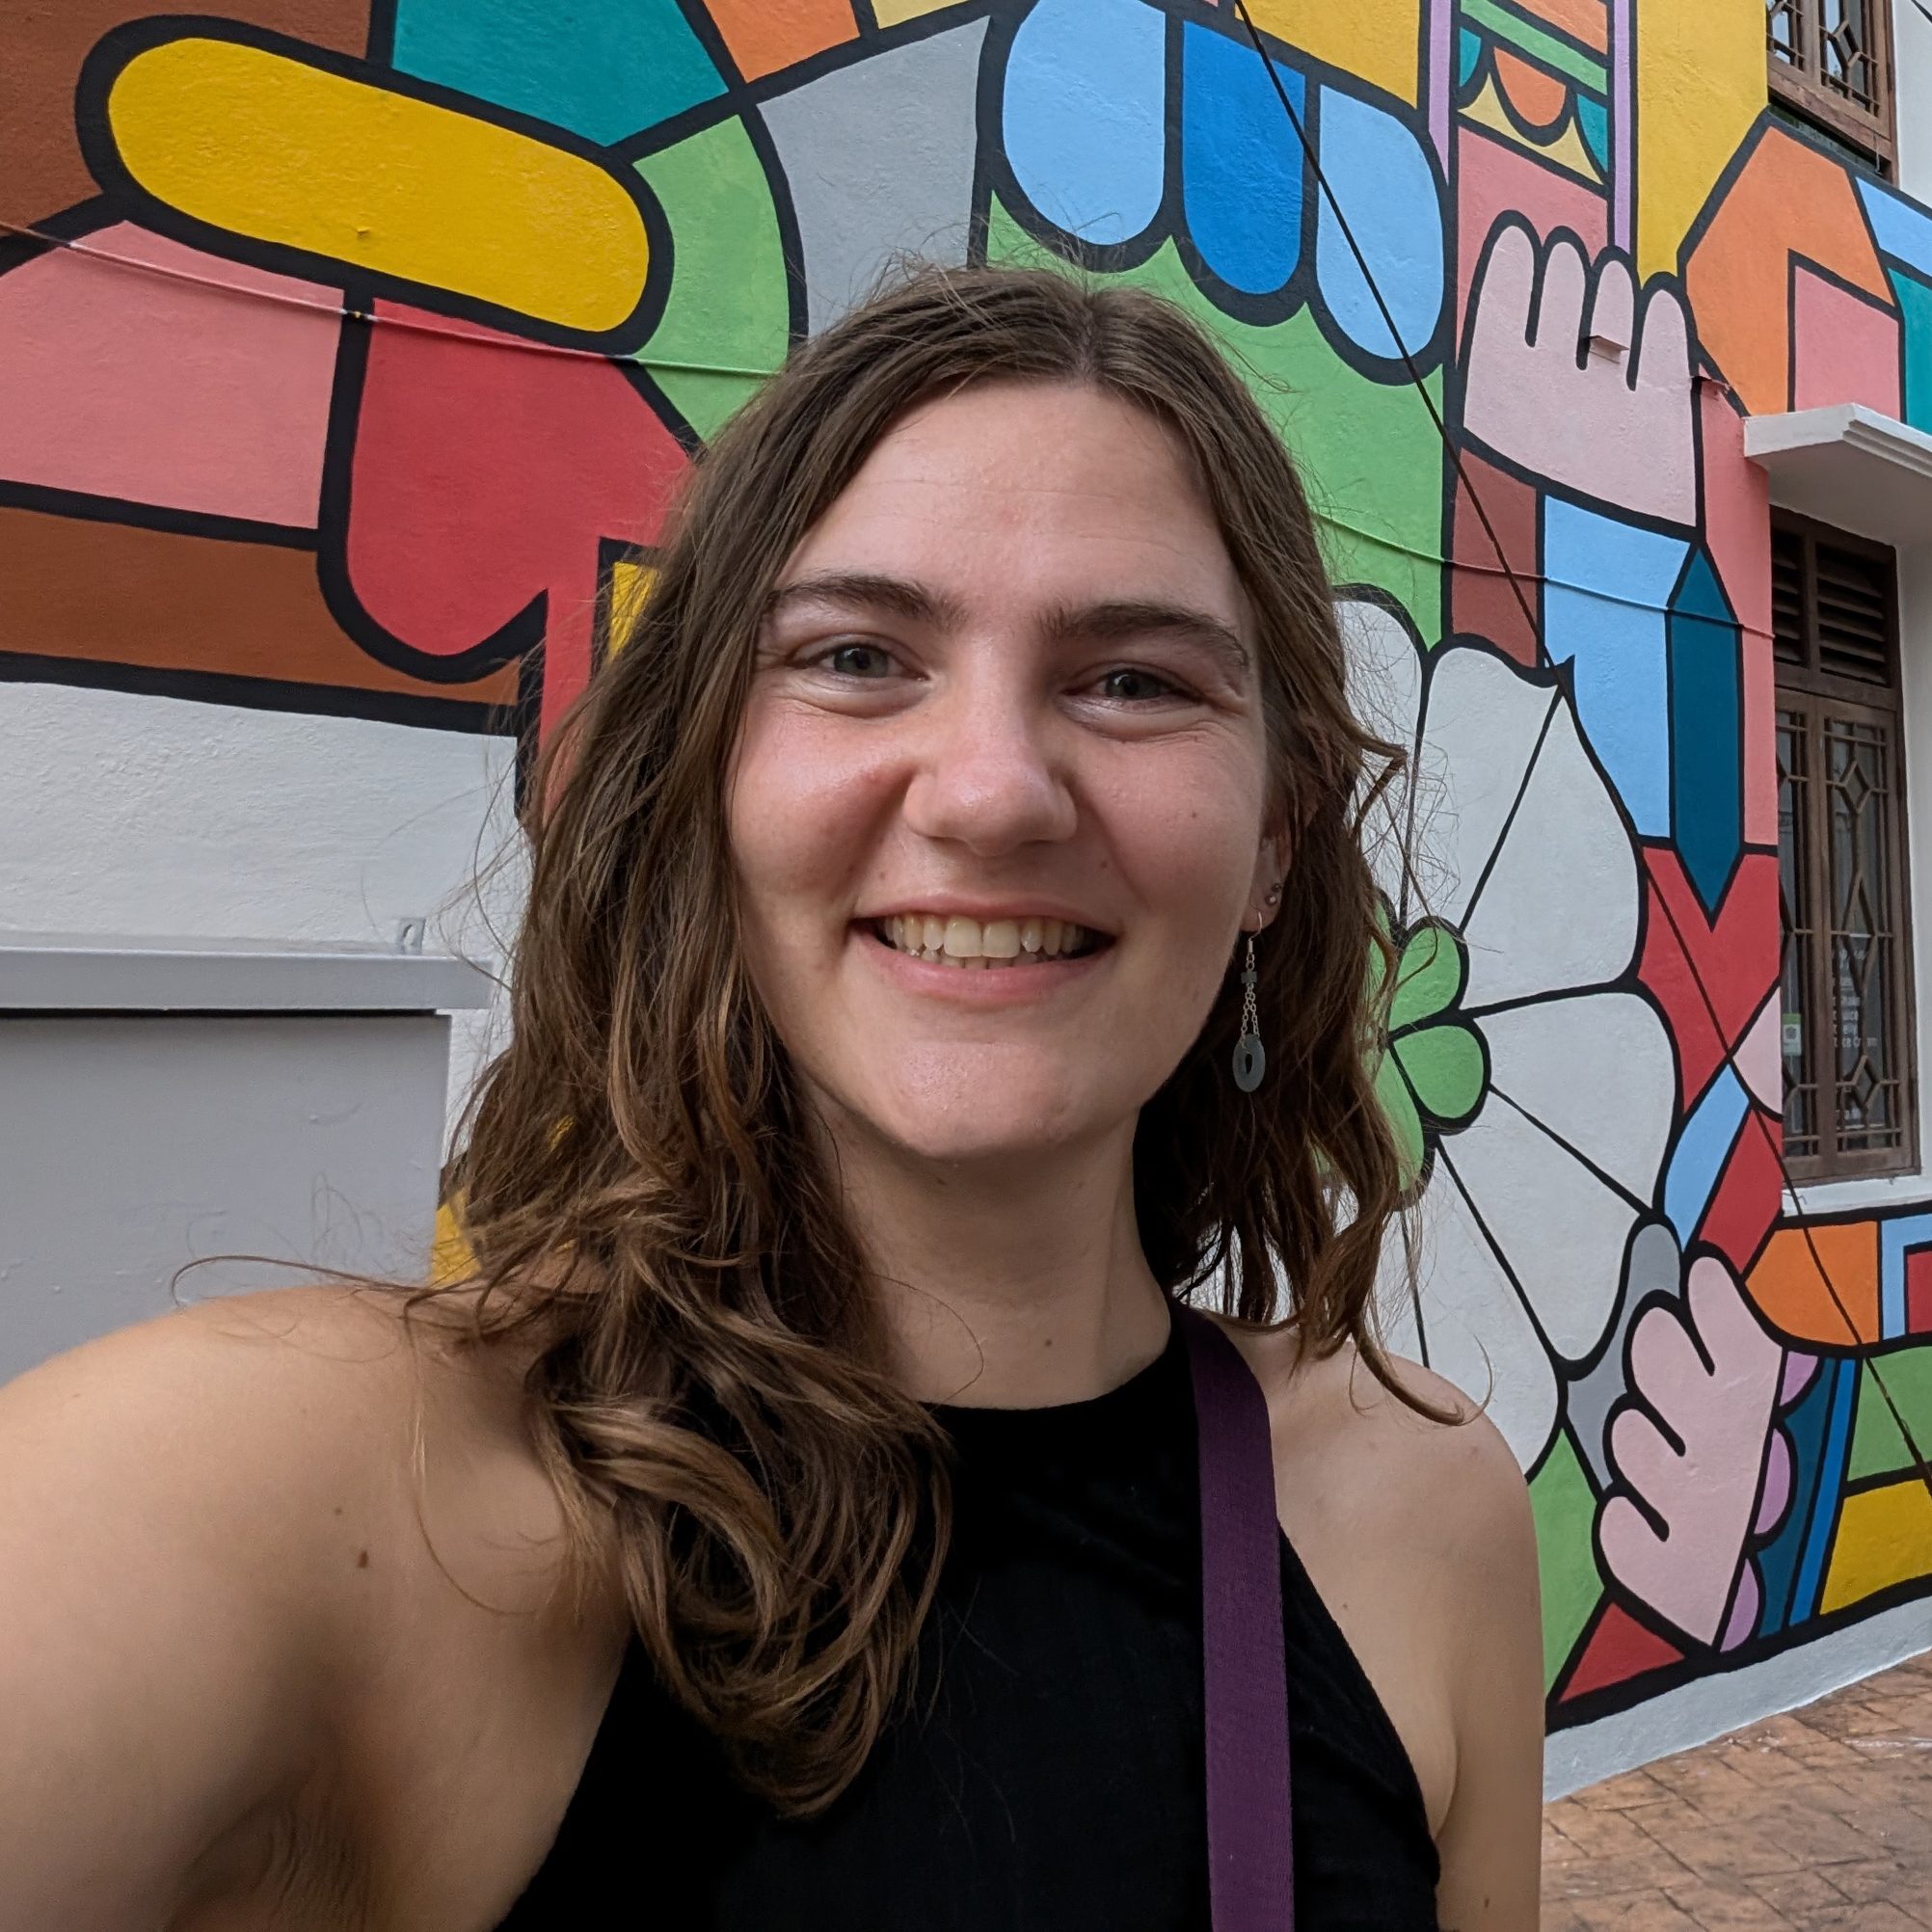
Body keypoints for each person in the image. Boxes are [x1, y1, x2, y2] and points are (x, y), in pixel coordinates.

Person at [0, 265, 1542, 1929]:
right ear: (710, 780)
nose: (992, 794)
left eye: (1135, 681)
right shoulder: (320, 1498)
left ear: (1275, 842)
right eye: (857, 656)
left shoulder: (1423, 1509)